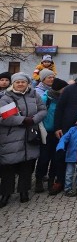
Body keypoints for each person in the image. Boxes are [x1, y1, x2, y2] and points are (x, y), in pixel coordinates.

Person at [0, 73, 47, 208]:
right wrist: (22, 120)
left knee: (26, 165)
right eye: (17, 82)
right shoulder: (6, 98)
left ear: (27, 83)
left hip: (29, 135)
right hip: (11, 137)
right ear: (13, 84)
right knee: (8, 166)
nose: (20, 84)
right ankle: (6, 193)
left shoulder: (34, 95)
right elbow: (3, 118)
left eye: (23, 82)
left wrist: (33, 119)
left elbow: (43, 110)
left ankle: (23, 191)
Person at [34, 77, 68, 194]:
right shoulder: (45, 98)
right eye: (64, 88)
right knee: (44, 158)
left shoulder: (64, 99)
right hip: (46, 132)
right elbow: (38, 113)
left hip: (58, 132)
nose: (66, 90)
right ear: (59, 89)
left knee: (56, 158)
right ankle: (39, 179)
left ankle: (52, 179)